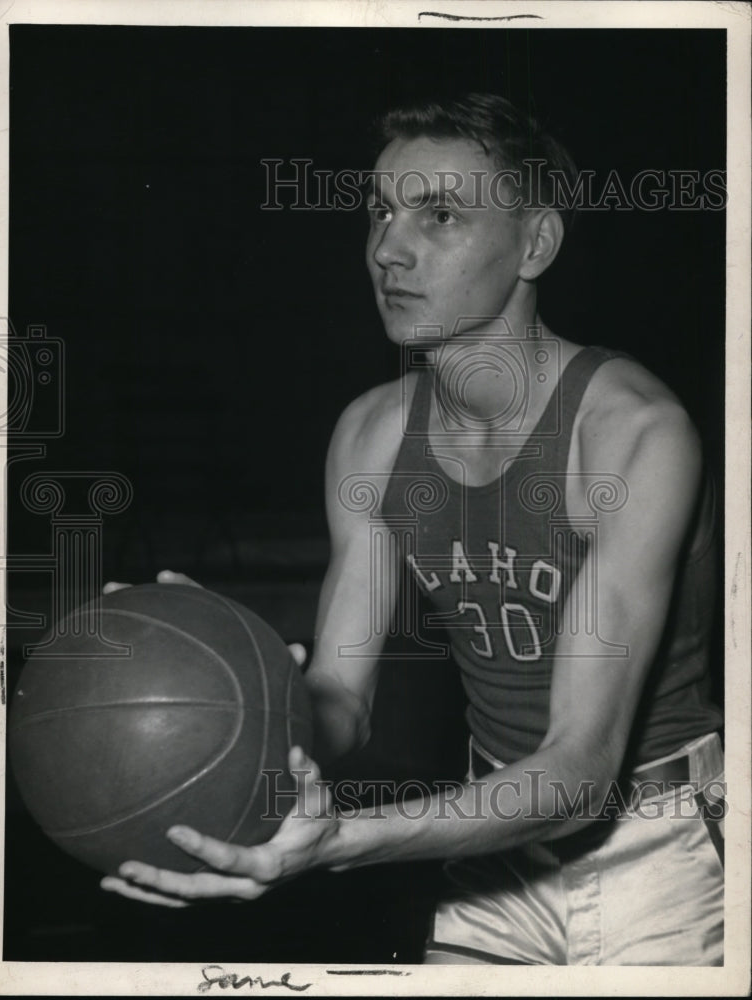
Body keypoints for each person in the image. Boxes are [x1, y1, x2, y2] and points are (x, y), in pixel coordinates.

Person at [101, 94, 724, 966]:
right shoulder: (373, 433)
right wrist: (228, 676)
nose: (389, 248)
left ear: (534, 244)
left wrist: (345, 841)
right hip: (488, 847)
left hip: (662, 855)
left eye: (440, 215)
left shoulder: (630, 433)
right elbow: (341, 703)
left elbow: (579, 771)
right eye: (382, 211)